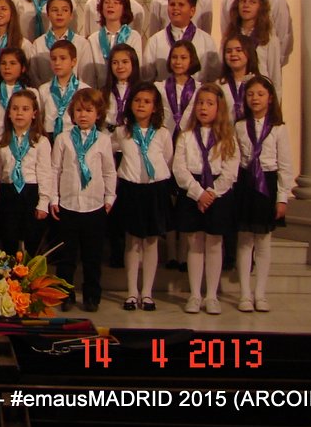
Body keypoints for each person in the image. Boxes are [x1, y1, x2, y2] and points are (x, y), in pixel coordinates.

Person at [48, 88, 116, 312]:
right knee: (66, 256)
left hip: (94, 206)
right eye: (79, 110)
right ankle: (65, 295)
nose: (83, 115)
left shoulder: (103, 140)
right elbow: (55, 170)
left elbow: (109, 171)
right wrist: (54, 198)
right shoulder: (63, 139)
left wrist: (109, 197)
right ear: (72, 114)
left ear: (98, 114)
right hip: (68, 205)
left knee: (92, 256)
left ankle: (91, 296)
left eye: (88, 110)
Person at [173, 85, 239, 314]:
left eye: (210, 103)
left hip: (218, 193)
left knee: (214, 244)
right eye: (200, 102)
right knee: (195, 243)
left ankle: (211, 296)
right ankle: (194, 295)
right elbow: (179, 168)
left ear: (219, 108)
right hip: (193, 191)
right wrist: (198, 192)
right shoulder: (186, 136)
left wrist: (211, 193)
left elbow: (231, 171)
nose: (203, 107)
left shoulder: (227, 137)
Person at [234, 76, 294, 313]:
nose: (255, 98)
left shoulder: (278, 128)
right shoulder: (240, 126)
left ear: (270, 98)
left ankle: (260, 293)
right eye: (250, 94)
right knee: (244, 240)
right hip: (245, 182)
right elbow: (235, 158)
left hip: (267, 184)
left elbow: (285, 165)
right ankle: (245, 294)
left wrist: (282, 197)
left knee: (263, 241)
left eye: (260, 94)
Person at [112, 83, 173, 311]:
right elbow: (110, 153)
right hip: (130, 189)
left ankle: (147, 293)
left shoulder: (162, 133)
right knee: (132, 241)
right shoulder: (122, 132)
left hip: (155, 190)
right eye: (137, 100)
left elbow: (167, 158)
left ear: (155, 107)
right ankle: (131, 292)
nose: (141, 105)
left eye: (147, 102)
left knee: (151, 241)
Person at [0, 91, 51, 256]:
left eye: (25, 109)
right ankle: (9, 273)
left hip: (31, 193)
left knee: (32, 242)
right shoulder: (1, 141)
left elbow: (45, 174)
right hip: (8, 193)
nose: (19, 113)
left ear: (34, 114)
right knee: (8, 241)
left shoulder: (41, 141)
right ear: (9, 113)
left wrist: (43, 203)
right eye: (15, 108)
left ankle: (31, 273)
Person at [142, 0, 218, 82]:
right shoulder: (155, 41)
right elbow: (147, 77)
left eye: (181, 5)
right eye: (172, 4)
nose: (175, 8)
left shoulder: (206, 41)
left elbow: (214, 76)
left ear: (192, 11)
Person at [227, 0, 283, 97]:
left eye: (252, 2)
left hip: (258, 96)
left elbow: (275, 77)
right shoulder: (230, 35)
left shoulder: (269, 38)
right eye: (243, 1)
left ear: (261, 6)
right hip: (232, 94)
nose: (246, 5)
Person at [28, 0, 93, 86]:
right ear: (48, 15)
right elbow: (33, 75)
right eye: (55, 10)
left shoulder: (82, 43)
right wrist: (44, 91)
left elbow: (87, 76)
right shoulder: (38, 43)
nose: (59, 13)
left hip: (76, 93)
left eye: (65, 10)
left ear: (71, 15)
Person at [84, 0, 143, 86]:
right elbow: (90, 75)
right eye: (106, 2)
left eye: (116, 3)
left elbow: (137, 69)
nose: (110, 6)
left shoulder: (133, 36)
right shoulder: (93, 39)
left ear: (124, 8)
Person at [37, 41, 88, 142]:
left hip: (74, 135)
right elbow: (40, 116)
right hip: (49, 136)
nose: (57, 63)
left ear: (73, 62)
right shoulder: (43, 89)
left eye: (63, 58)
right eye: (53, 59)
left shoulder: (84, 89)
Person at [0, 46, 30, 144]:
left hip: (24, 141)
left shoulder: (30, 93)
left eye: (12, 63)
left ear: (23, 68)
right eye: (3, 63)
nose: (7, 67)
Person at [157, 40, 201, 136]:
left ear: (191, 60)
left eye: (183, 58)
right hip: (164, 136)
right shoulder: (159, 88)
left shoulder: (199, 89)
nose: (178, 62)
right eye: (174, 57)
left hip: (190, 137)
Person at [218, 33, 260, 123]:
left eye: (239, 50)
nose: (233, 54)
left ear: (249, 53)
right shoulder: (219, 84)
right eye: (228, 51)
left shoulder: (259, 83)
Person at [102, 43, 139, 131]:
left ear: (133, 64)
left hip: (133, 134)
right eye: (115, 63)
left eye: (125, 62)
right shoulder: (103, 92)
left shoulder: (140, 91)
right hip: (107, 134)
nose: (120, 66)